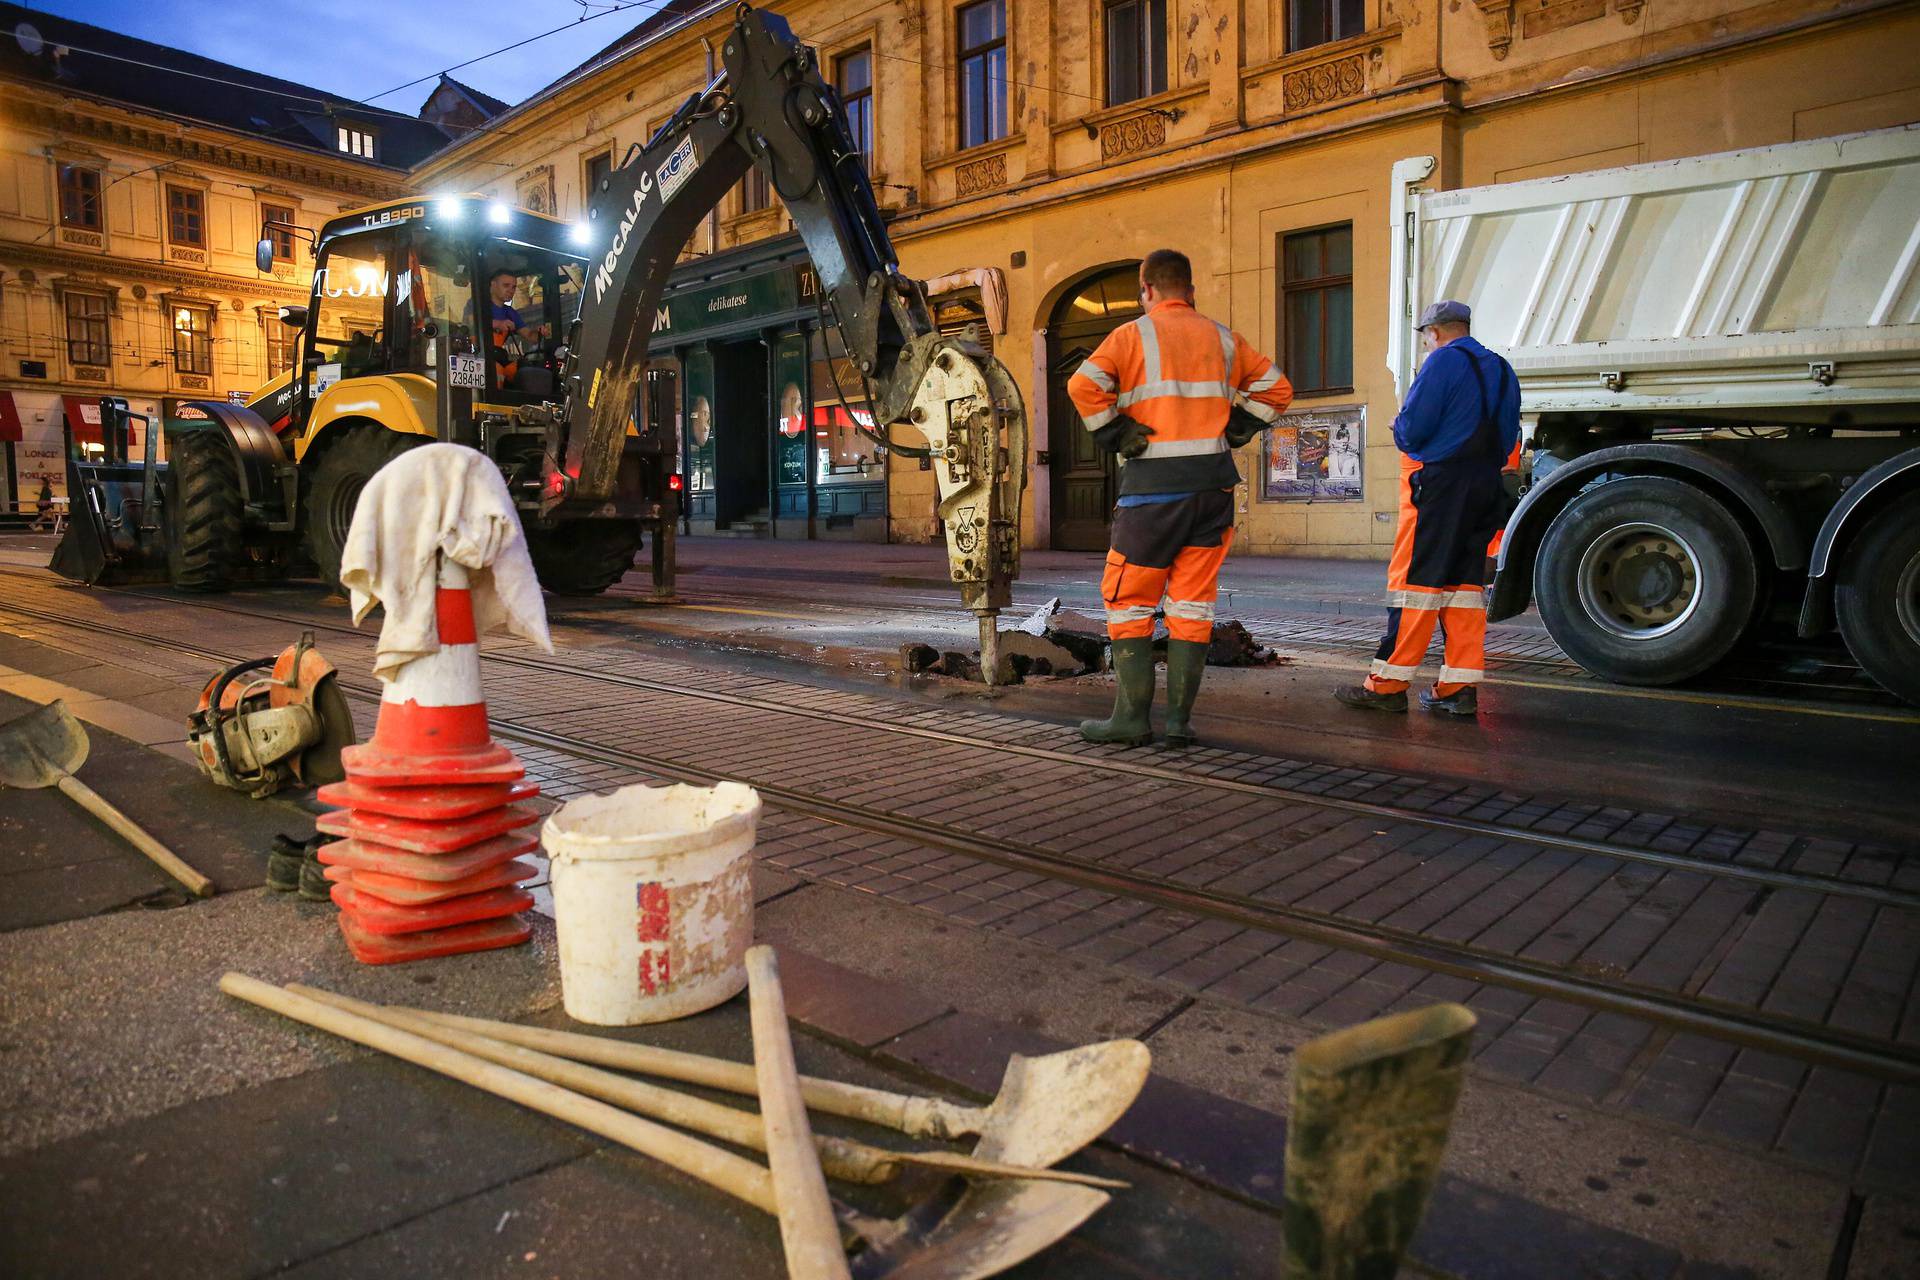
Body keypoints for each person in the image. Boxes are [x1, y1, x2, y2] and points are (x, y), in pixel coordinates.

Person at [1067, 249, 1294, 748]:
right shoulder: (1223, 338)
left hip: (1152, 496)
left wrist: (1115, 433)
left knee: (1129, 600)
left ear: (1146, 290)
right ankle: (1178, 723)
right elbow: (1277, 388)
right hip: (1212, 492)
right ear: (1190, 291)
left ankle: (1131, 719)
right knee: (1192, 604)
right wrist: (1238, 427)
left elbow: (1084, 385)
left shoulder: (1131, 336)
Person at [1335, 299, 1519, 717]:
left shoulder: (1441, 363)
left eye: (1425, 339)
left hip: (1441, 486)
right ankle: (1458, 689)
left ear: (1433, 333)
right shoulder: (1502, 369)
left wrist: (1398, 428)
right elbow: (1509, 432)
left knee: (1416, 585)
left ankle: (1388, 685)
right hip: (1485, 486)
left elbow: (1414, 427)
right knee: (1464, 589)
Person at [487, 268, 525, 387]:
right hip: (481, 355)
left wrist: (540, 332)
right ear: (493, 284)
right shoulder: (477, 304)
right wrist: (498, 324)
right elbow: (471, 321)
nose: (511, 290)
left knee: (524, 371)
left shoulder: (510, 312)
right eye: (506, 285)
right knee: (496, 370)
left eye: (513, 287)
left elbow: (528, 334)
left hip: (499, 355)